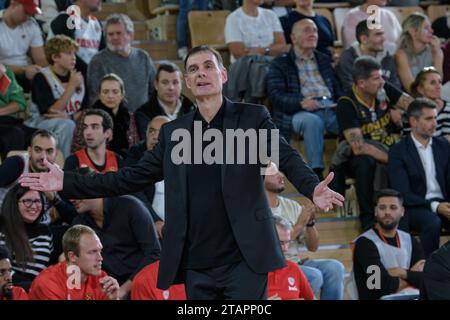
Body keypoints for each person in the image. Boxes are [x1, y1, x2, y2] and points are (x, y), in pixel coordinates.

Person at [20, 45, 344, 300]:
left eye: (208, 66)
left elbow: (284, 155)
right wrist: (68, 181)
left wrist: (312, 187)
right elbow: (128, 177)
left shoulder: (252, 118)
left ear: (223, 74)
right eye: (193, 69)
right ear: (187, 82)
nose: (201, 74)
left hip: (245, 259)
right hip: (195, 262)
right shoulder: (175, 133)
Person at [333, 56, 403, 230]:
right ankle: (367, 219)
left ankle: (403, 215)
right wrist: (392, 159)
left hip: (386, 147)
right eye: (376, 78)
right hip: (355, 158)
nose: (382, 82)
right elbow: (359, 147)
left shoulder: (383, 90)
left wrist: (399, 109)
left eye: (382, 77)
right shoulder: (346, 103)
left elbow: (413, 106)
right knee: (366, 162)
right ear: (362, 83)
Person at [267, 19, 341, 180]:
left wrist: (342, 105)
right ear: (293, 38)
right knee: (312, 122)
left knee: (348, 120)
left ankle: (342, 168)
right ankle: (316, 173)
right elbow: (275, 95)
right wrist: (301, 102)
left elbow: (338, 89)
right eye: (307, 30)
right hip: (298, 111)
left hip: (329, 106)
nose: (313, 34)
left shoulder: (324, 60)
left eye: (315, 30)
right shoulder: (281, 63)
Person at [71, 168, 161, 300]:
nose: (72, 198)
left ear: (95, 188)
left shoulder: (130, 206)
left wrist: (124, 290)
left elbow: (154, 254)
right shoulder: (79, 223)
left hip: (144, 286)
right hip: (107, 289)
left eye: (77, 191)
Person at [265, 170, 345, 300]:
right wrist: (300, 223)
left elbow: (313, 247)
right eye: (273, 172)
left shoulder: (291, 205)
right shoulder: (256, 209)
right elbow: (270, 248)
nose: (281, 175)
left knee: (335, 268)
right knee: (314, 276)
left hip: (297, 263)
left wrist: (310, 223)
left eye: (280, 171)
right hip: (275, 267)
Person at [388, 98, 450, 257]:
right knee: (432, 222)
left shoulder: (443, 145)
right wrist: (436, 206)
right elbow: (403, 193)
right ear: (413, 121)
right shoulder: (398, 151)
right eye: (429, 118)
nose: (435, 123)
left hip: (444, 204)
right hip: (415, 206)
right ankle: (429, 270)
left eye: (435, 118)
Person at [351, 189, 425, 300]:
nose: (387, 212)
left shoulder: (410, 240)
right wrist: (411, 276)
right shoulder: (364, 243)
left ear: (402, 211)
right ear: (375, 211)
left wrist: (401, 272)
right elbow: (380, 286)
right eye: (382, 207)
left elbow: (426, 278)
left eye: (393, 207)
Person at [27, 35, 85, 158]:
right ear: (55, 57)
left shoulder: (78, 76)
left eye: (74, 53)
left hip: (70, 118)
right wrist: (71, 86)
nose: (73, 58)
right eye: (68, 53)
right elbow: (52, 112)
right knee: (67, 125)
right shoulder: (41, 77)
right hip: (39, 123)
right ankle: (64, 167)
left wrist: (71, 116)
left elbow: (87, 109)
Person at [0, 129, 76, 224]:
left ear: (56, 154)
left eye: (49, 151)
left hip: (40, 229)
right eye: (38, 150)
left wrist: (54, 198)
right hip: (7, 224)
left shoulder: (58, 176)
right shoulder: (16, 164)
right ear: (30, 151)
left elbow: (73, 218)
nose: (43, 157)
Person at [29, 224, 120, 300]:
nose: (100, 258)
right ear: (72, 256)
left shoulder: (101, 279)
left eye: (99, 251)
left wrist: (115, 298)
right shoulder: (48, 283)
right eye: (92, 252)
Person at [87, 14, 156, 112]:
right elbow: (94, 98)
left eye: (119, 33)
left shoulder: (143, 57)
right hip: (113, 119)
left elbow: (153, 90)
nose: (115, 37)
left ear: (130, 35)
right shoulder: (97, 61)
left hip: (143, 117)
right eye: (110, 34)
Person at [123, 116, 171, 239]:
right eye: (152, 131)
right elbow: (134, 190)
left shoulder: (185, 158)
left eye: (161, 132)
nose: (155, 136)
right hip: (146, 226)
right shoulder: (135, 155)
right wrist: (154, 220)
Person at [0, 184, 53, 290]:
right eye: (27, 201)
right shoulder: (2, 229)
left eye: (38, 201)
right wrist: (34, 286)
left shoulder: (46, 231)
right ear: (15, 204)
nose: (34, 206)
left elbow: (47, 269)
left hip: (38, 292)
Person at [336, 19, 401, 94]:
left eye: (382, 34)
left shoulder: (387, 57)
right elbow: (349, 90)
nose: (383, 39)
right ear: (364, 39)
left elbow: (396, 87)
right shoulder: (348, 58)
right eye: (378, 35)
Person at [135, 62, 195, 140]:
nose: (171, 87)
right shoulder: (144, 113)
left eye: (175, 82)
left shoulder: (192, 109)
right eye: (165, 82)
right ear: (156, 85)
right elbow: (150, 144)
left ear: (181, 85)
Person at [47, 0, 105, 79]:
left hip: (91, 76)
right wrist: (93, 73)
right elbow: (66, 54)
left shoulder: (97, 24)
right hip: (67, 78)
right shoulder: (65, 19)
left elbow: (103, 54)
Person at [0, 0, 47, 92]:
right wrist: (24, 70)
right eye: (26, 12)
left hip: (26, 73)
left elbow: (41, 59)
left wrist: (40, 71)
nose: (28, 17)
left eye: (31, 14)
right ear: (13, 4)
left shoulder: (32, 25)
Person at [89, 73, 139, 154]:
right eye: (105, 92)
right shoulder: (88, 117)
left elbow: (135, 144)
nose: (110, 96)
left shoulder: (130, 116)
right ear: (99, 95)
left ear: (122, 94)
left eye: (115, 92)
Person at [224, 0, 288, 63]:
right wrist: (272, 49)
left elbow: (282, 47)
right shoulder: (233, 19)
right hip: (246, 66)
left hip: (273, 64)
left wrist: (262, 51)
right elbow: (239, 54)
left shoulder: (271, 15)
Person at [268, 215, 314, 300]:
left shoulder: (293, 268)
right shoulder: (246, 272)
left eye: (288, 242)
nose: (285, 249)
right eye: (280, 243)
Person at [395, 12, 443, 94]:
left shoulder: (435, 51)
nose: (432, 31)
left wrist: (437, 54)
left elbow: (438, 83)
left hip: (434, 96)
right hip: (414, 99)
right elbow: (411, 88)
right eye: (426, 28)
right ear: (413, 32)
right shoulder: (401, 55)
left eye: (430, 27)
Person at [64, 109, 123, 173]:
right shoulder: (73, 161)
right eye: (85, 127)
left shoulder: (117, 160)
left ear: (107, 133)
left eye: (95, 127)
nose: (88, 132)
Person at [404, 67, 450, 143]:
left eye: (440, 82)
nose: (438, 86)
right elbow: (412, 142)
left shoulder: (448, 107)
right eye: (433, 83)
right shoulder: (412, 111)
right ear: (420, 89)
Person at [0, 64, 36, 160]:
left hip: (9, 120)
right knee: (15, 134)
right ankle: (8, 173)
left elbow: (20, 103)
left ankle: (42, 174)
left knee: (40, 136)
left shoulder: (6, 72)